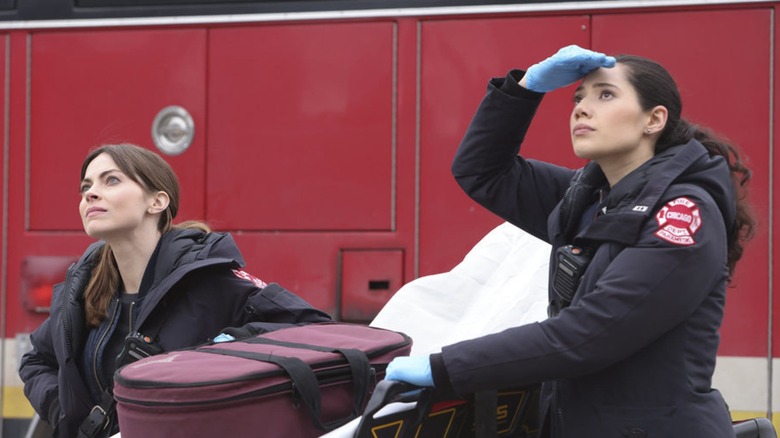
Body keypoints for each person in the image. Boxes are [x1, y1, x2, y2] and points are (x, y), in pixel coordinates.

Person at [384, 45, 755, 437]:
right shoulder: (589, 197)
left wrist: (446, 367)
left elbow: (589, 334)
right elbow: (482, 172)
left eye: (605, 95)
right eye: (579, 97)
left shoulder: (682, 213)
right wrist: (526, 88)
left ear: (654, 119)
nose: (581, 108)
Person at [19, 144, 332, 438]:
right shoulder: (82, 290)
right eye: (86, 187)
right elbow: (37, 361)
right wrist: (69, 415)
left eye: (111, 180)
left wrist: (227, 347)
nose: (91, 194)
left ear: (157, 201)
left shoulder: (211, 280)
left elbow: (316, 332)